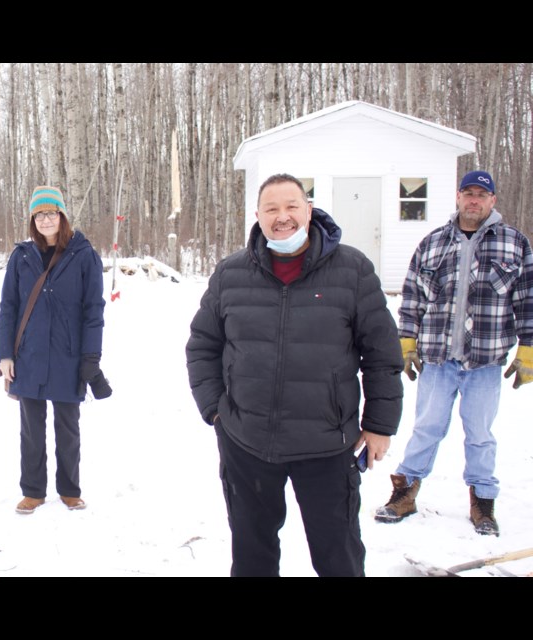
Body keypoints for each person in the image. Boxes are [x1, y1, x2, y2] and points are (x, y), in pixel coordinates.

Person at [186, 173, 403, 576]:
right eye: (271, 209)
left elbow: (381, 354)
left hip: (326, 443)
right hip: (247, 444)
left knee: (338, 554)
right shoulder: (231, 273)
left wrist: (379, 425)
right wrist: (216, 411)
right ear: (258, 216)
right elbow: (202, 345)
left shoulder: (352, 270)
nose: (281, 217)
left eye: (291, 207)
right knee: (253, 556)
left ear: (308, 210)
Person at [375, 170, 533, 536]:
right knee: (426, 427)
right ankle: (405, 493)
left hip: (485, 361)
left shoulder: (514, 244)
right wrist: (407, 341)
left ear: (493, 201)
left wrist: (528, 347)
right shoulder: (433, 243)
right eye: (468, 193)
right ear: (458, 197)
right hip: (438, 357)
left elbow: (527, 300)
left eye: (482, 194)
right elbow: (413, 296)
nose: (473, 200)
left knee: (480, 433)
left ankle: (483, 503)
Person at [0, 185, 111, 515]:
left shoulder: (84, 255)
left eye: (52, 213)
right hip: (29, 356)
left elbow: (94, 310)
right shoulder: (21, 257)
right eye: (40, 214)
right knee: (31, 429)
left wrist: (91, 357)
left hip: (68, 356)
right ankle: (33, 490)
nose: (46, 219)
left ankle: (69, 489)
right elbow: (8, 306)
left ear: (62, 216)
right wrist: (5, 355)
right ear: (33, 220)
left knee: (68, 427)